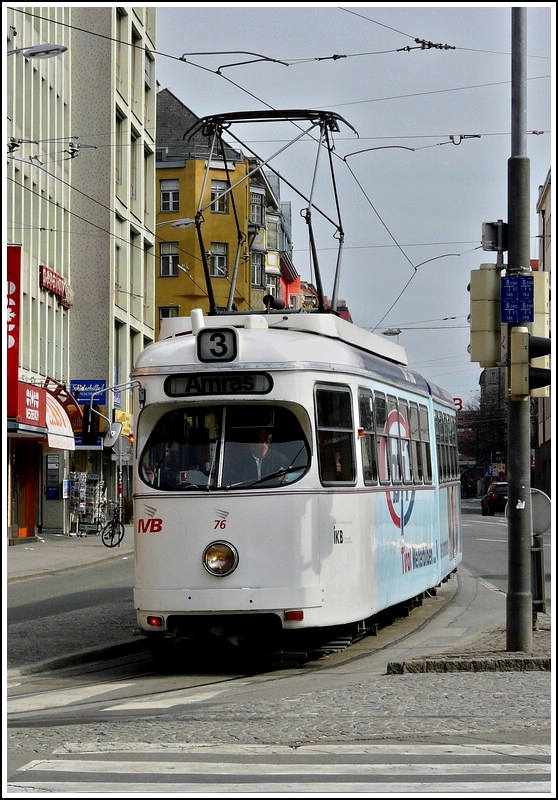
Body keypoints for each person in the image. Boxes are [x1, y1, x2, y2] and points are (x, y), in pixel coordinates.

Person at [224, 427, 290, 485]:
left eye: (256, 440)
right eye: (251, 439)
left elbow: (287, 482)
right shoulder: (238, 461)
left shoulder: (280, 460)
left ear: (267, 443)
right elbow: (231, 482)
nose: (251, 442)